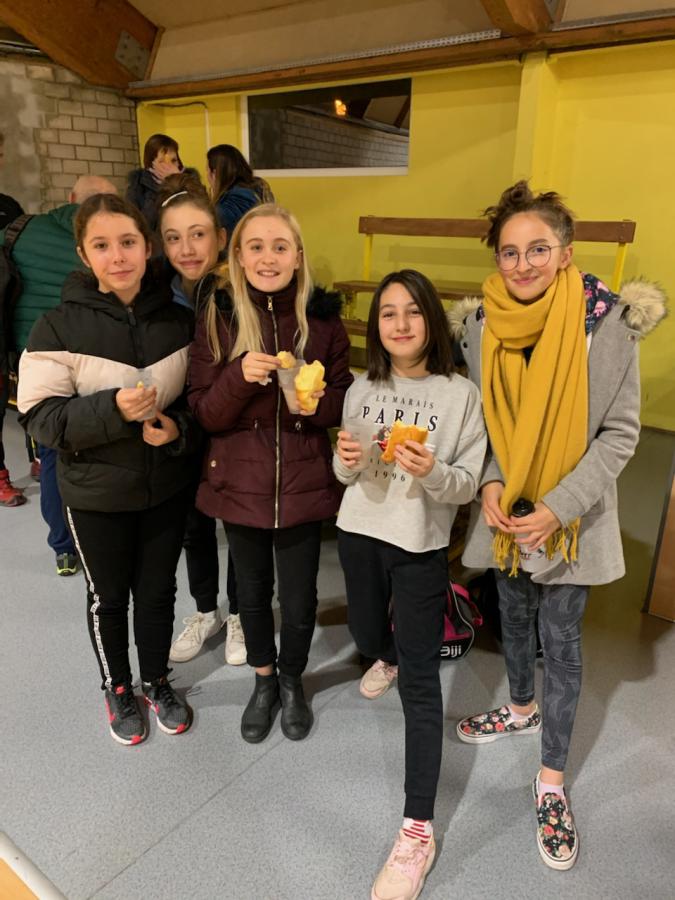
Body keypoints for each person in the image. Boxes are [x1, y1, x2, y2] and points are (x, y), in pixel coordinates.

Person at [451, 181, 666, 871]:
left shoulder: (606, 323)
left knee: (561, 639)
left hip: (570, 519)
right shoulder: (481, 324)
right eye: (509, 252)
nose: (522, 264)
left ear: (565, 253)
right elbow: (484, 422)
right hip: (507, 512)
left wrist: (558, 507)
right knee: (511, 615)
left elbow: (619, 433)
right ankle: (520, 708)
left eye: (537, 249)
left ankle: (550, 781)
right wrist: (490, 480)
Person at [17, 193, 200, 745]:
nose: (117, 256)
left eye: (127, 242)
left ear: (147, 247)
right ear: (83, 254)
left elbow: (198, 403)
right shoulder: (55, 327)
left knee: (159, 592)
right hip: (95, 492)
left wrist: (177, 429)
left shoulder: (179, 322)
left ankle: (157, 680)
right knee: (109, 597)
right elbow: (39, 417)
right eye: (102, 245)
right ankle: (117, 686)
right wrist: (112, 409)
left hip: (164, 486)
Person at [334, 269, 486, 900]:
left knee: (421, 685)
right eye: (388, 313)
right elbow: (346, 472)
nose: (400, 323)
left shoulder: (460, 395)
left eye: (413, 311)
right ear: (377, 327)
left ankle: (417, 831)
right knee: (368, 635)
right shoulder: (360, 387)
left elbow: (466, 485)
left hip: (420, 546)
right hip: (358, 533)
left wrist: (432, 471)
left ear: (432, 321)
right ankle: (388, 654)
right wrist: (343, 461)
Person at [188, 203, 352, 743]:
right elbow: (205, 413)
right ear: (238, 255)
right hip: (240, 482)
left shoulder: (323, 322)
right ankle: (263, 681)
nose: (268, 257)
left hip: (304, 481)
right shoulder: (219, 317)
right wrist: (238, 375)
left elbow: (344, 399)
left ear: (298, 256)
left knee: (300, 599)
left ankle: (291, 679)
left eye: (280, 246)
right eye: (255, 246)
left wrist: (317, 405)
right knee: (253, 595)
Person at [0, 176, 117, 578]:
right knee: (104, 445)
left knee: (51, 453)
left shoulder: (20, 230)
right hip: (96, 357)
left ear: (69, 198)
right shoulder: (109, 238)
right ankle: (104, 539)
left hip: (34, 360)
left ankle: (64, 548)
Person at [155, 173, 247, 666]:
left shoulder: (240, 293)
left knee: (238, 525)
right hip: (182, 428)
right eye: (174, 237)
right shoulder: (159, 297)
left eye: (198, 234)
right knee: (194, 525)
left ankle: (241, 615)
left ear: (221, 237)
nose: (187, 248)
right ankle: (206, 610)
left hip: (231, 425)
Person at [206, 144, 273, 238]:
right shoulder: (254, 188)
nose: (207, 177)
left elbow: (211, 221)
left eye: (207, 171)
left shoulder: (238, 198)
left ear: (215, 173)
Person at [126, 133, 185, 233]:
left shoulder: (190, 182)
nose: (169, 167)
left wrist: (178, 183)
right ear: (151, 165)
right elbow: (142, 225)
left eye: (173, 161)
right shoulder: (137, 188)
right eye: (162, 162)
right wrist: (161, 189)